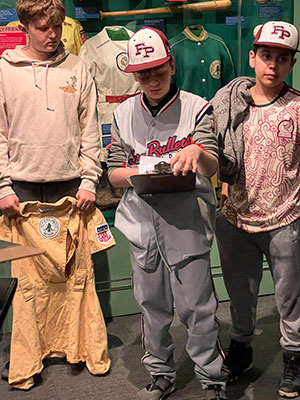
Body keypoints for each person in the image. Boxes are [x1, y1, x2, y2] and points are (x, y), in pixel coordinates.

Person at [107, 26, 227, 400]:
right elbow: (112, 172)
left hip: (186, 222)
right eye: (144, 73)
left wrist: (198, 155)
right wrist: (139, 173)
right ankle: (160, 373)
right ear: (135, 74)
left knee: (197, 307)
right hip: (143, 224)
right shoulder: (123, 113)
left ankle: (212, 379)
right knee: (152, 308)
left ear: (172, 65)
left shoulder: (197, 107)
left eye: (158, 70)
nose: (152, 80)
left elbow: (210, 162)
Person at [0, 0, 112, 389]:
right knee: (26, 280)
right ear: (25, 25)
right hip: (22, 188)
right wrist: (2, 185)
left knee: (74, 273)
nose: (51, 36)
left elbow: (89, 129)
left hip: (69, 185)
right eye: (43, 28)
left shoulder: (77, 68)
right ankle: (27, 353)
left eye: (57, 27)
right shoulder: (4, 70)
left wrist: (87, 181)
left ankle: (75, 347)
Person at [211, 21, 300, 398]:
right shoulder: (232, 102)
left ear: (291, 63)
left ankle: (293, 356)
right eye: (266, 56)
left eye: (283, 58)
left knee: (290, 296)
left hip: (284, 217)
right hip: (236, 216)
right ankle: (242, 348)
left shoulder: (297, 106)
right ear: (252, 57)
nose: (273, 65)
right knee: (240, 292)